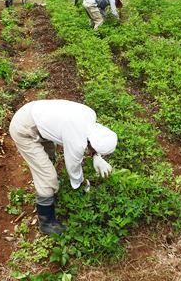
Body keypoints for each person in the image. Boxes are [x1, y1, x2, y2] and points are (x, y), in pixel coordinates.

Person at [9, 99, 117, 235]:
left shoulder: (90, 115)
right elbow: (73, 168)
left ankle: (48, 177)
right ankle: (46, 222)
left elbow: (88, 141)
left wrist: (96, 155)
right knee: (48, 177)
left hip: (34, 112)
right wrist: (80, 183)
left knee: (49, 155)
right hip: (24, 130)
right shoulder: (76, 141)